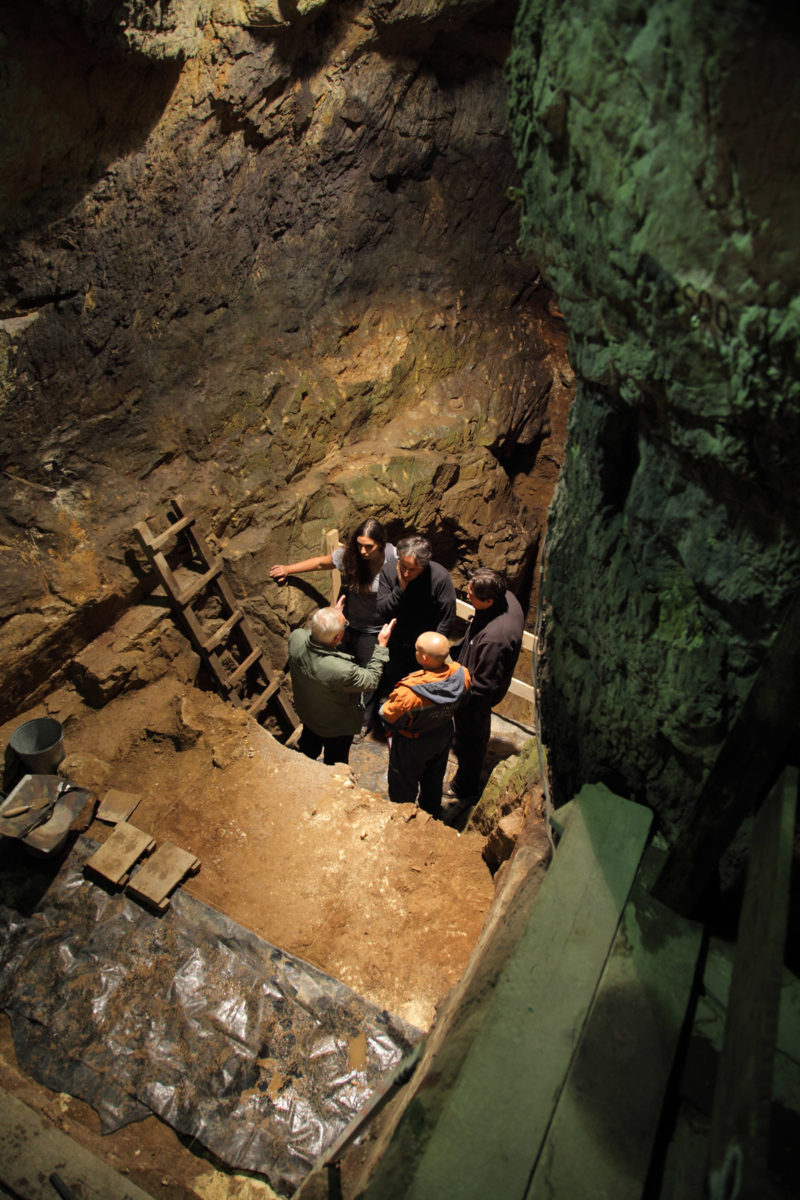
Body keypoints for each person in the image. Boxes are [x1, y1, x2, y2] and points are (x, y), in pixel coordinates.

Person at [271, 519, 397, 734]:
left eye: (369, 546)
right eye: (359, 545)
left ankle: (363, 722)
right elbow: (323, 563)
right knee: (340, 667)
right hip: (346, 623)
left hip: (374, 629)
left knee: (369, 676)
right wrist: (288, 569)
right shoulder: (351, 557)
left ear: (381, 544)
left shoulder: (393, 558)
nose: (363, 551)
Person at [445, 567, 524, 807]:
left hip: (475, 698)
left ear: (489, 600)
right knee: (471, 735)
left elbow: (483, 686)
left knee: (471, 738)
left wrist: (456, 693)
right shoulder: (506, 597)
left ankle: (465, 786)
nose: (467, 596)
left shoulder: (494, 640)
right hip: (476, 675)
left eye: (472, 595)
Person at [288, 606, 395, 765]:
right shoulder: (341, 670)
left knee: (308, 749)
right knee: (335, 761)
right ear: (338, 637)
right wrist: (381, 645)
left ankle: (304, 768)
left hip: (309, 714)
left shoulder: (295, 638)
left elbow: (313, 635)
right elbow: (371, 680)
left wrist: (330, 617)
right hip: (335, 727)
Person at [380, 632, 470, 819]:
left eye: (417, 650)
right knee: (434, 779)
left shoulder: (409, 694)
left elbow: (389, 719)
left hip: (412, 744)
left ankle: (402, 818)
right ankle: (431, 813)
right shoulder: (463, 675)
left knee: (402, 784)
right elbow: (464, 701)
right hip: (442, 733)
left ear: (425, 658)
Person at [376, 535, 456, 694]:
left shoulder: (439, 577)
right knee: (394, 684)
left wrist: (432, 651)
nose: (405, 573)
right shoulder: (389, 570)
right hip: (395, 643)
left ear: (424, 566)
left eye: (412, 569)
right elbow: (382, 609)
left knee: (419, 690)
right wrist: (400, 588)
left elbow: (447, 618)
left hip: (424, 649)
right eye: (403, 566)